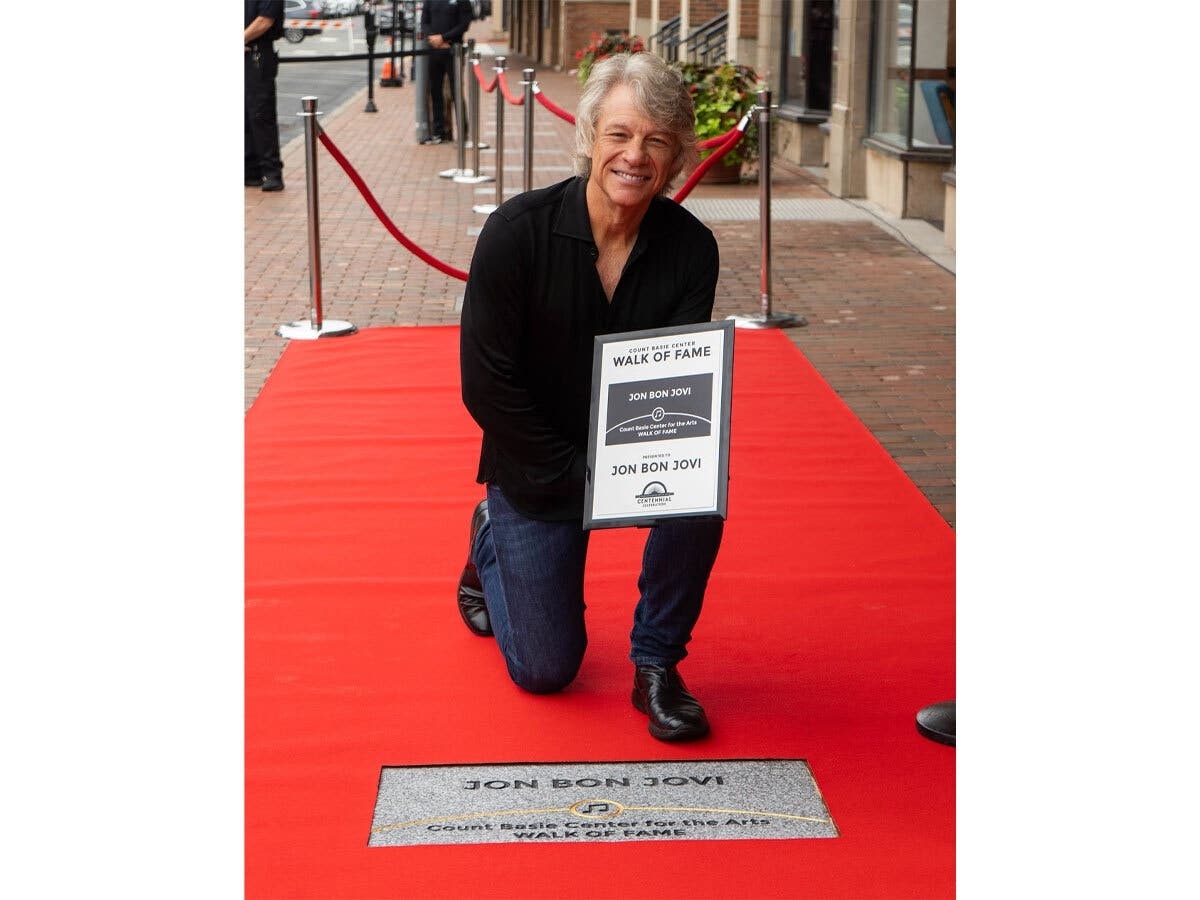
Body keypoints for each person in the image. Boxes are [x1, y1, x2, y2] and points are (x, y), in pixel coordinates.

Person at [457, 52, 724, 742]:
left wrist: (658, 466)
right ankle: (490, 533)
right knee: (545, 670)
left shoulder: (691, 249)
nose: (636, 155)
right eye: (620, 134)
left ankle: (657, 665)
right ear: (587, 138)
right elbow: (486, 386)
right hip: (535, 459)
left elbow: (676, 376)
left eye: (656, 140)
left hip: (631, 452)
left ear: (676, 156)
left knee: (700, 487)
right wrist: (575, 473)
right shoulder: (517, 234)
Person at [245, 0, 285, 191]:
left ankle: (272, 173)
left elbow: (265, 20)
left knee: (260, 114)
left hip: (257, 53)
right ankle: (250, 171)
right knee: (244, 116)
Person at [420, 0, 473, 144]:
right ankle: (439, 133)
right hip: (434, 51)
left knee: (456, 92)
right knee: (435, 92)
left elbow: (465, 24)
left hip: (453, 51)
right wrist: (433, 38)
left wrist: (444, 38)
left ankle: (463, 133)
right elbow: (424, 22)